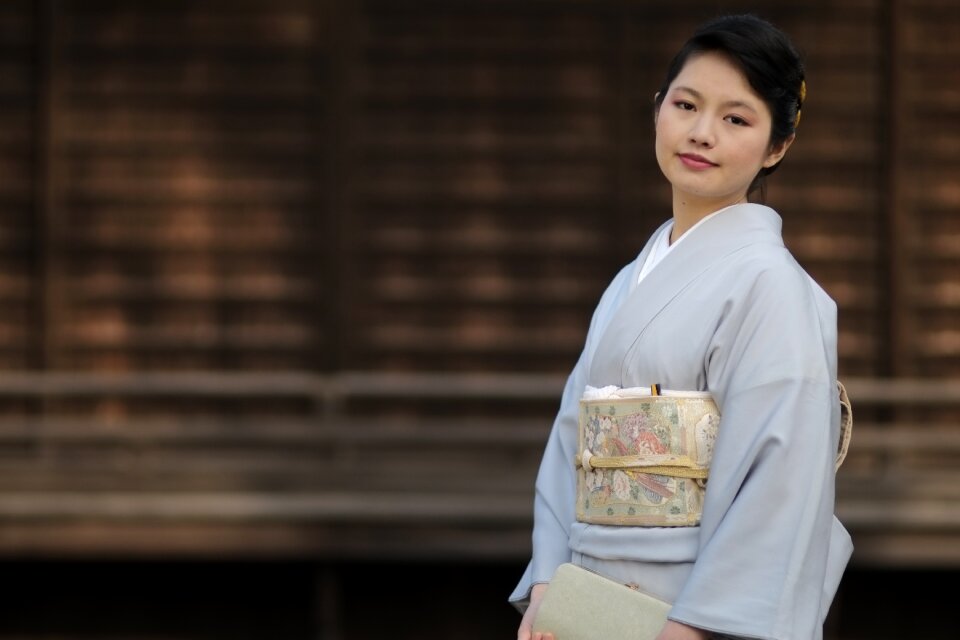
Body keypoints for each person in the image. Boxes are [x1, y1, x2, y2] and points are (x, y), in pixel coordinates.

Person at [511, 13, 853, 640]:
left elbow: (782, 484)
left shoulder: (772, 287)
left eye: (736, 119)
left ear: (777, 146)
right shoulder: (627, 282)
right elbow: (569, 446)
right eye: (686, 104)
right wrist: (546, 585)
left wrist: (696, 628)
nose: (701, 133)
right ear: (658, 110)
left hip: (688, 611)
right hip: (585, 600)